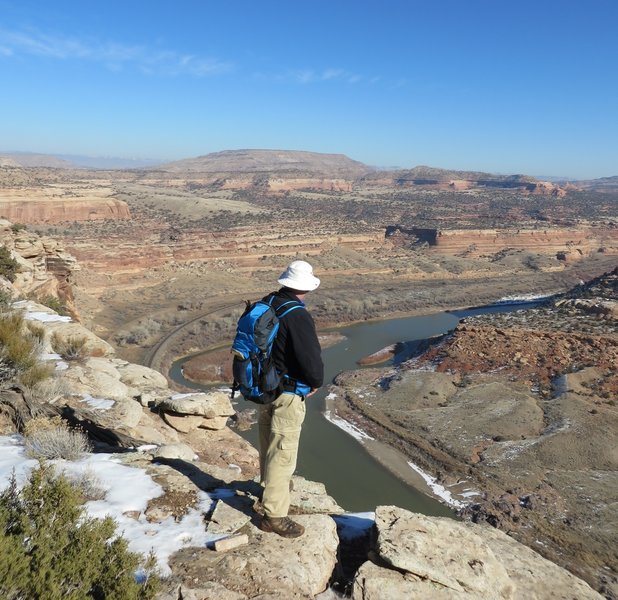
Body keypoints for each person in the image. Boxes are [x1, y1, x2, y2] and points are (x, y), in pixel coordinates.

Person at [257, 260, 324, 538]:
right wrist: (316, 383)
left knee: (267, 440)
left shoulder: (268, 302)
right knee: (283, 451)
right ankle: (274, 516)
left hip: (264, 387)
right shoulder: (297, 315)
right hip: (288, 392)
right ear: (305, 287)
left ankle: (270, 486)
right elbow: (310, 359)